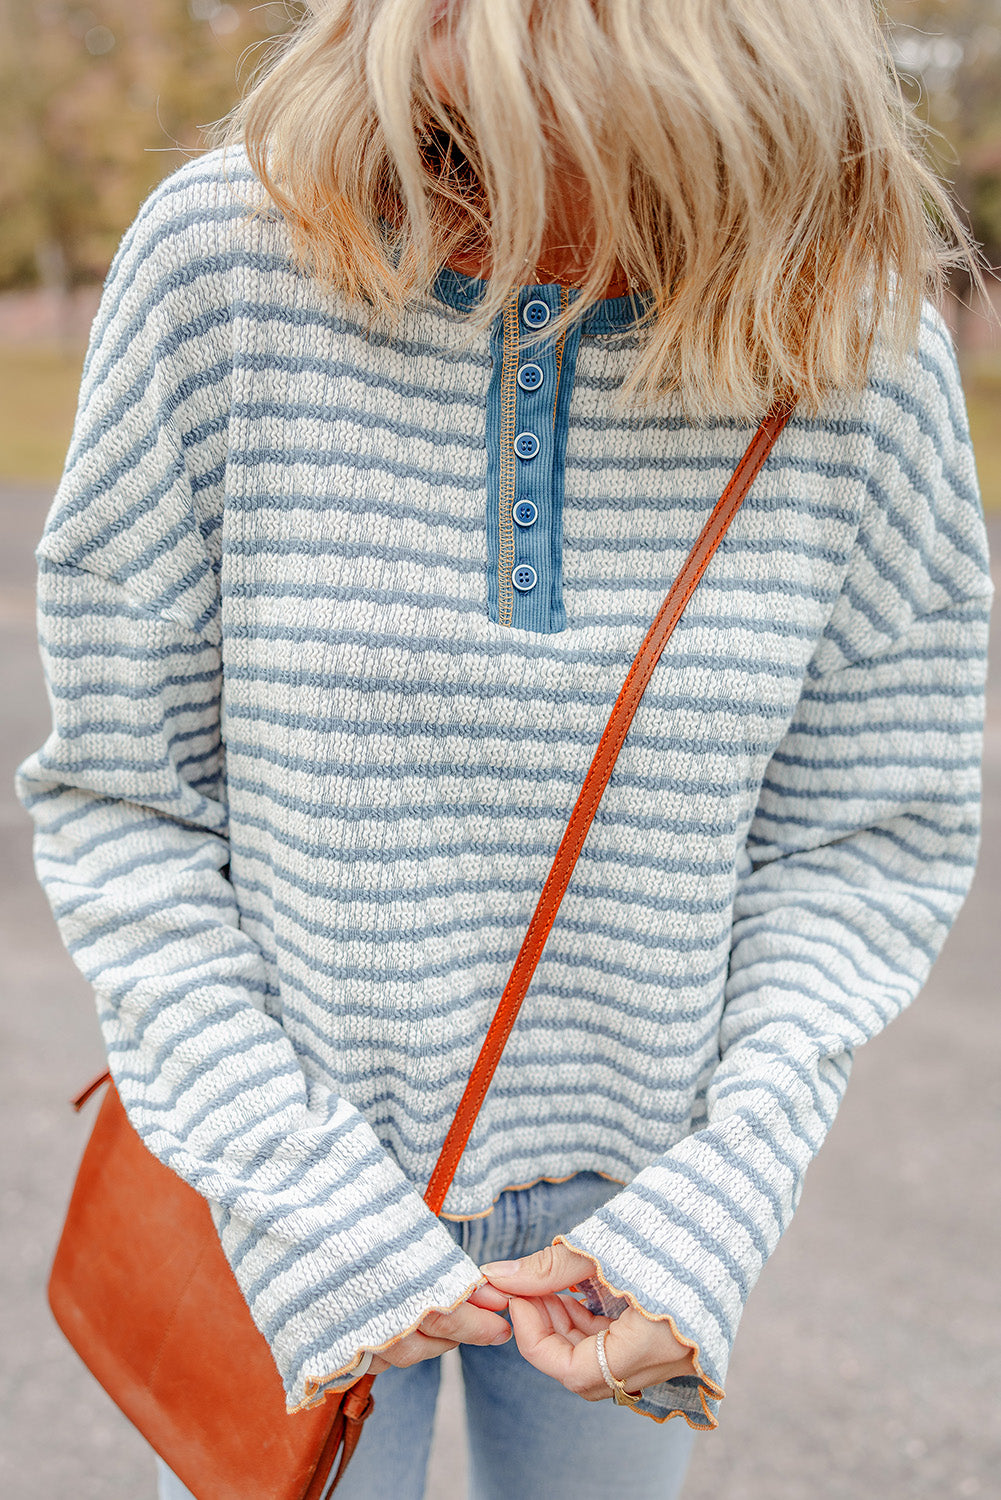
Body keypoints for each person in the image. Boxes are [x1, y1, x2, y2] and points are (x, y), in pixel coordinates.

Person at [14, 2, 994, 1498]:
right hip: (287, 1196)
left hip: (642, 1214)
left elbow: (866, 829)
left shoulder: (857, 347)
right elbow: (125, 801)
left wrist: (717, 1200)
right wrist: (306, 1201)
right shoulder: (225, 262)